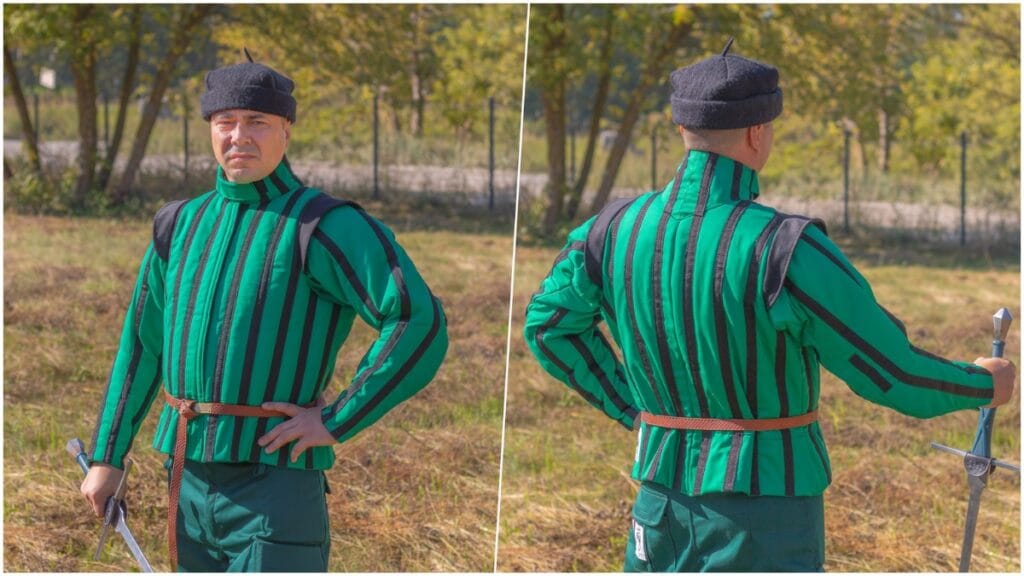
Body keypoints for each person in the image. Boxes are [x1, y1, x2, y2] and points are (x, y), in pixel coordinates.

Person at [522, 39, 1015, 572]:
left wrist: (634, 411)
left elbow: (548, 327)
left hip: (657, 505)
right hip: (765, 519)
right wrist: (984, 383)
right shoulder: (786, 248)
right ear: (757, 133)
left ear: (683, 130)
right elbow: (890, 373)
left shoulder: (609, 229)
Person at [80, 56, 448, 571]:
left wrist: (337, 420)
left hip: (275, 486)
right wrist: (108, 456)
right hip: (183, 477)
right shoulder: (178, 224)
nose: (239, 137)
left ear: (286, 132)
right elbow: (143, 345)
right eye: (225, 122)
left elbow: (418, 322)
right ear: (210, 127)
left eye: (257, 122)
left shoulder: (323, 224)